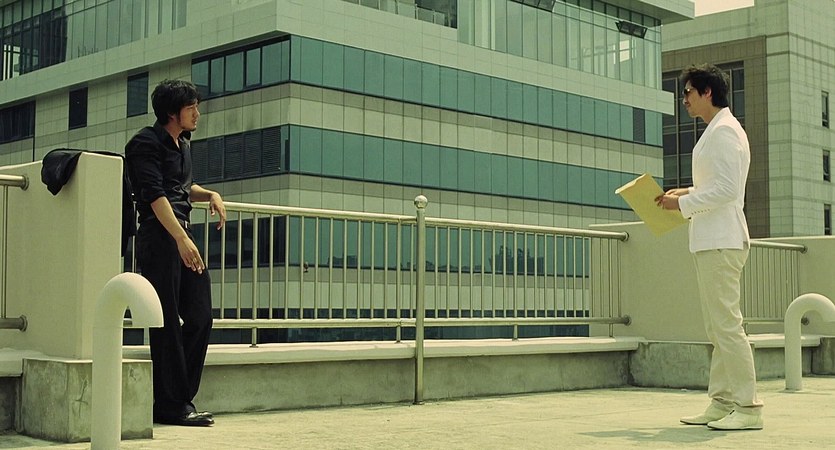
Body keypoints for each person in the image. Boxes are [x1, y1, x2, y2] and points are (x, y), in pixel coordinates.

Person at [655, 63, 763, 431]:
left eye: (688, 92)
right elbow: (717, 184)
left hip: (722, 241)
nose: (683, 99)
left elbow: (729, 190)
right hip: (711, 241)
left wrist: (682, 204)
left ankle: (748, 407)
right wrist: (686, 191)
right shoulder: (717, 130)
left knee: (727, 327)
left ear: (707, 92)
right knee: (718, 329)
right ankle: (722, 402)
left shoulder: (725, 131)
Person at [125, 79, 226, 427]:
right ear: (172, 112)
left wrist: (210, 195)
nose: (197, 113)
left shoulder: (182, 144)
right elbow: (155, 195)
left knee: (200, 316)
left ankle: (176, 398)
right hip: (160, 236)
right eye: (191, 108)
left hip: (182, 233)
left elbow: (182, 188)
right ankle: (173, 404)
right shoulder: (144, 143)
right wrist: (181, 239)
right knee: (166, 320)